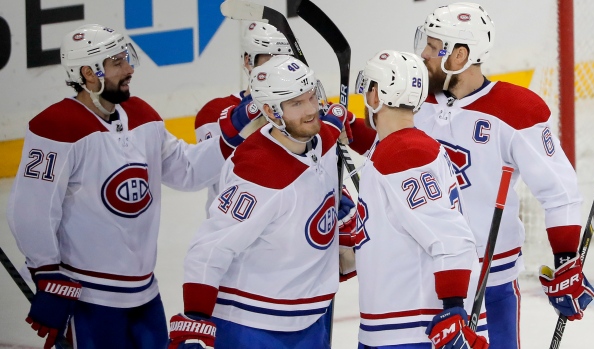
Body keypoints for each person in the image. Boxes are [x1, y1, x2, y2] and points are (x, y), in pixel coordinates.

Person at [6, 24, 257, 349]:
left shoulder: (142, 116)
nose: (129, 69)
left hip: (145, 294)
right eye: (117, 63)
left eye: (126, 58)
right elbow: (31, 209)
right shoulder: (57, 127)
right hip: (88, 296)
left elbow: (188, 171)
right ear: (88, 73)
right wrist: (46, 273)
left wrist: (232, 132)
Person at [412, 3, 594, 348]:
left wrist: (566, 258)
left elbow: (559, 190)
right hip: (420, 275)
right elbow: (381, 146)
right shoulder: (414, 101)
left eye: (434, 47)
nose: (423, 54)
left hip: (490, 278)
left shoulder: (514, 111)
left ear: (460, 56)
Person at [166, 55, 354, 349]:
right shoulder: (257, 170)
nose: (310, 110)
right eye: (296, 103)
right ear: (270, 111)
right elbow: (211, 247)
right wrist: (196, 317)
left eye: (311, 97)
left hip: (310, 317)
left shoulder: (325, 137)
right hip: (252, 324)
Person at [346, 49, 488, 349]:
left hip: (414, 328)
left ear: (375, 97)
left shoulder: (404, 154)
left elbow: (451, 237)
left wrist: (453, 310)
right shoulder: (402, 146)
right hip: (395, 324)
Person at [194, 21, 293, 217]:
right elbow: (208, 173)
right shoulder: (214, 111)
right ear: (248, 61)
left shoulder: (298, 109)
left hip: (284, 223)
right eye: (270, 58)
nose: (278, 68)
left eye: (284, 59)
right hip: (233, 223)